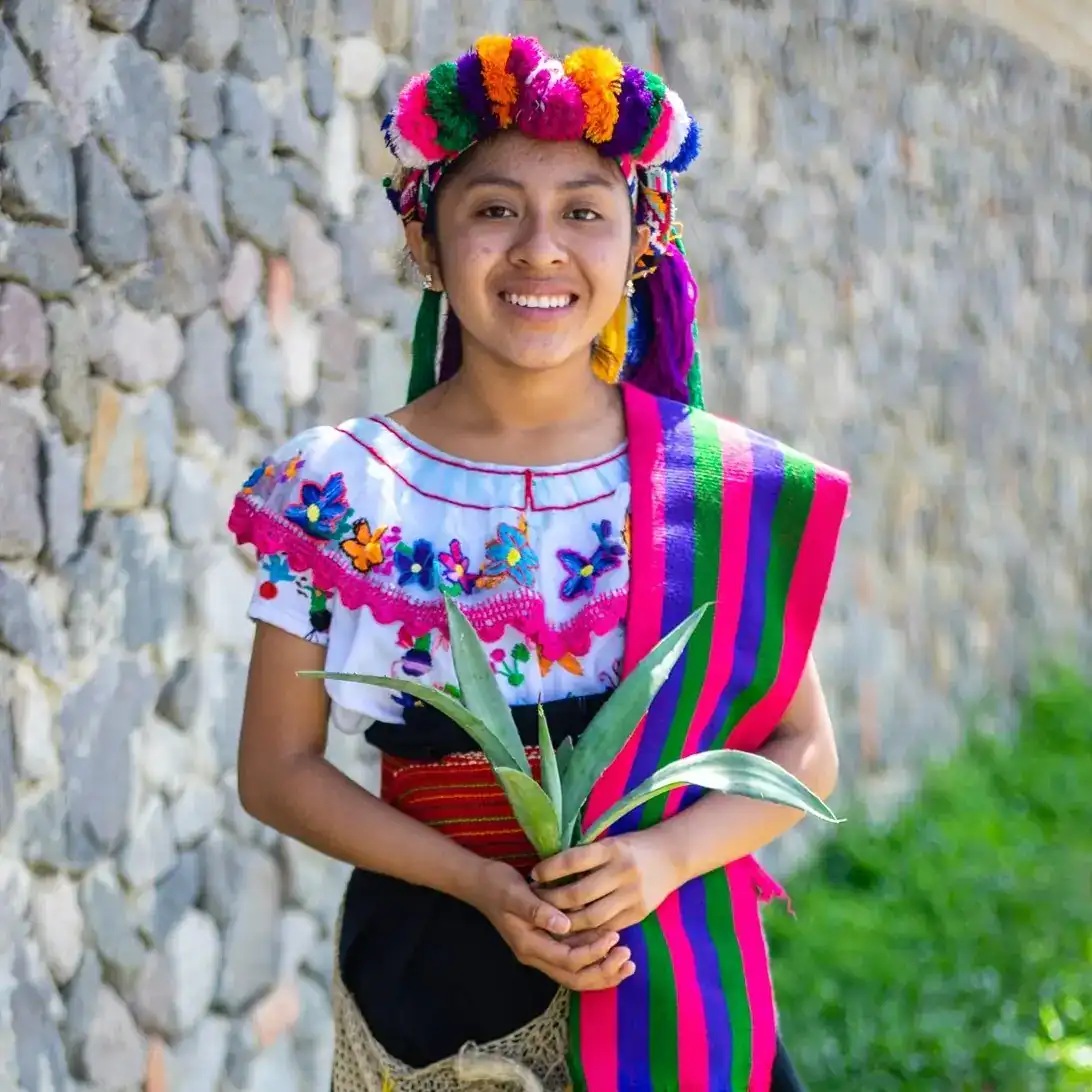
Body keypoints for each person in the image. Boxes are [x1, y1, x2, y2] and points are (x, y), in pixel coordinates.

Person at [230, 34, 850, 1092]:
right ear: (427, 243)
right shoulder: (337, 490)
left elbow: (804, 752)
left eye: (583, 211)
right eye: (493, 208)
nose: (540, 249)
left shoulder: (718, 490)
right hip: (428, 974)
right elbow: (276, 770)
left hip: (661, 974)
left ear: (641, 243)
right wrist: (477, 880)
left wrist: (659, 861)